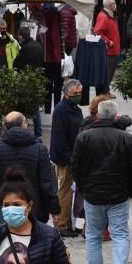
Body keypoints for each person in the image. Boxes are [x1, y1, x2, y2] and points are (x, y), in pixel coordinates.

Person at [72, 100, 132, 264]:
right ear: (116, 116)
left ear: (97, 115)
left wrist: (84, 187)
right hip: (118, 194)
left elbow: (75, 166)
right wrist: (131, 189)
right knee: (120, 234)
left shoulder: (84, 137)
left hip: (93, 194)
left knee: (93, 236)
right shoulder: (126, 138)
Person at [0, 112, 60, 224]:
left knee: (7, 239)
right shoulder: (40, 149)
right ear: (24, 123)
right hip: (34, 207)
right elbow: (47, 183)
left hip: (6, 207)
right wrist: (54, 208)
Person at [50, 79, 84, 237]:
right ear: (65, 93)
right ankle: (62, 224)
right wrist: (69, 159)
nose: (78, 96)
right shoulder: (61, 110)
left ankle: (68, 222)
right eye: (74, 94)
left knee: (69, 191)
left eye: (79, 93)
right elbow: (60, 138)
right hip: (65, 158)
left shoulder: (75, 108)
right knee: (64, 191)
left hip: (73, 155)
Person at [12, 25, 46, 138]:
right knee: (35, 108)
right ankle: (38, 134)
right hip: (37, 79)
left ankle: (24, 132)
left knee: (24, 107)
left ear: (21, 36)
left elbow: (17, 64)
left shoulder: (25, 48)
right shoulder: (38, 45)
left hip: (27, 80)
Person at [93, 0, 122, 92]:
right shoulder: (103, 16)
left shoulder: (110, 15)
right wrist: (109, 42)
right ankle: (104, 92)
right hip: (108, 51)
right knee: (107, 74)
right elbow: (98, 32)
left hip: (113, 51)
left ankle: (106, 91)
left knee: (110, 73)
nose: (116, 5)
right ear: (110, 5)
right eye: (114, 3)